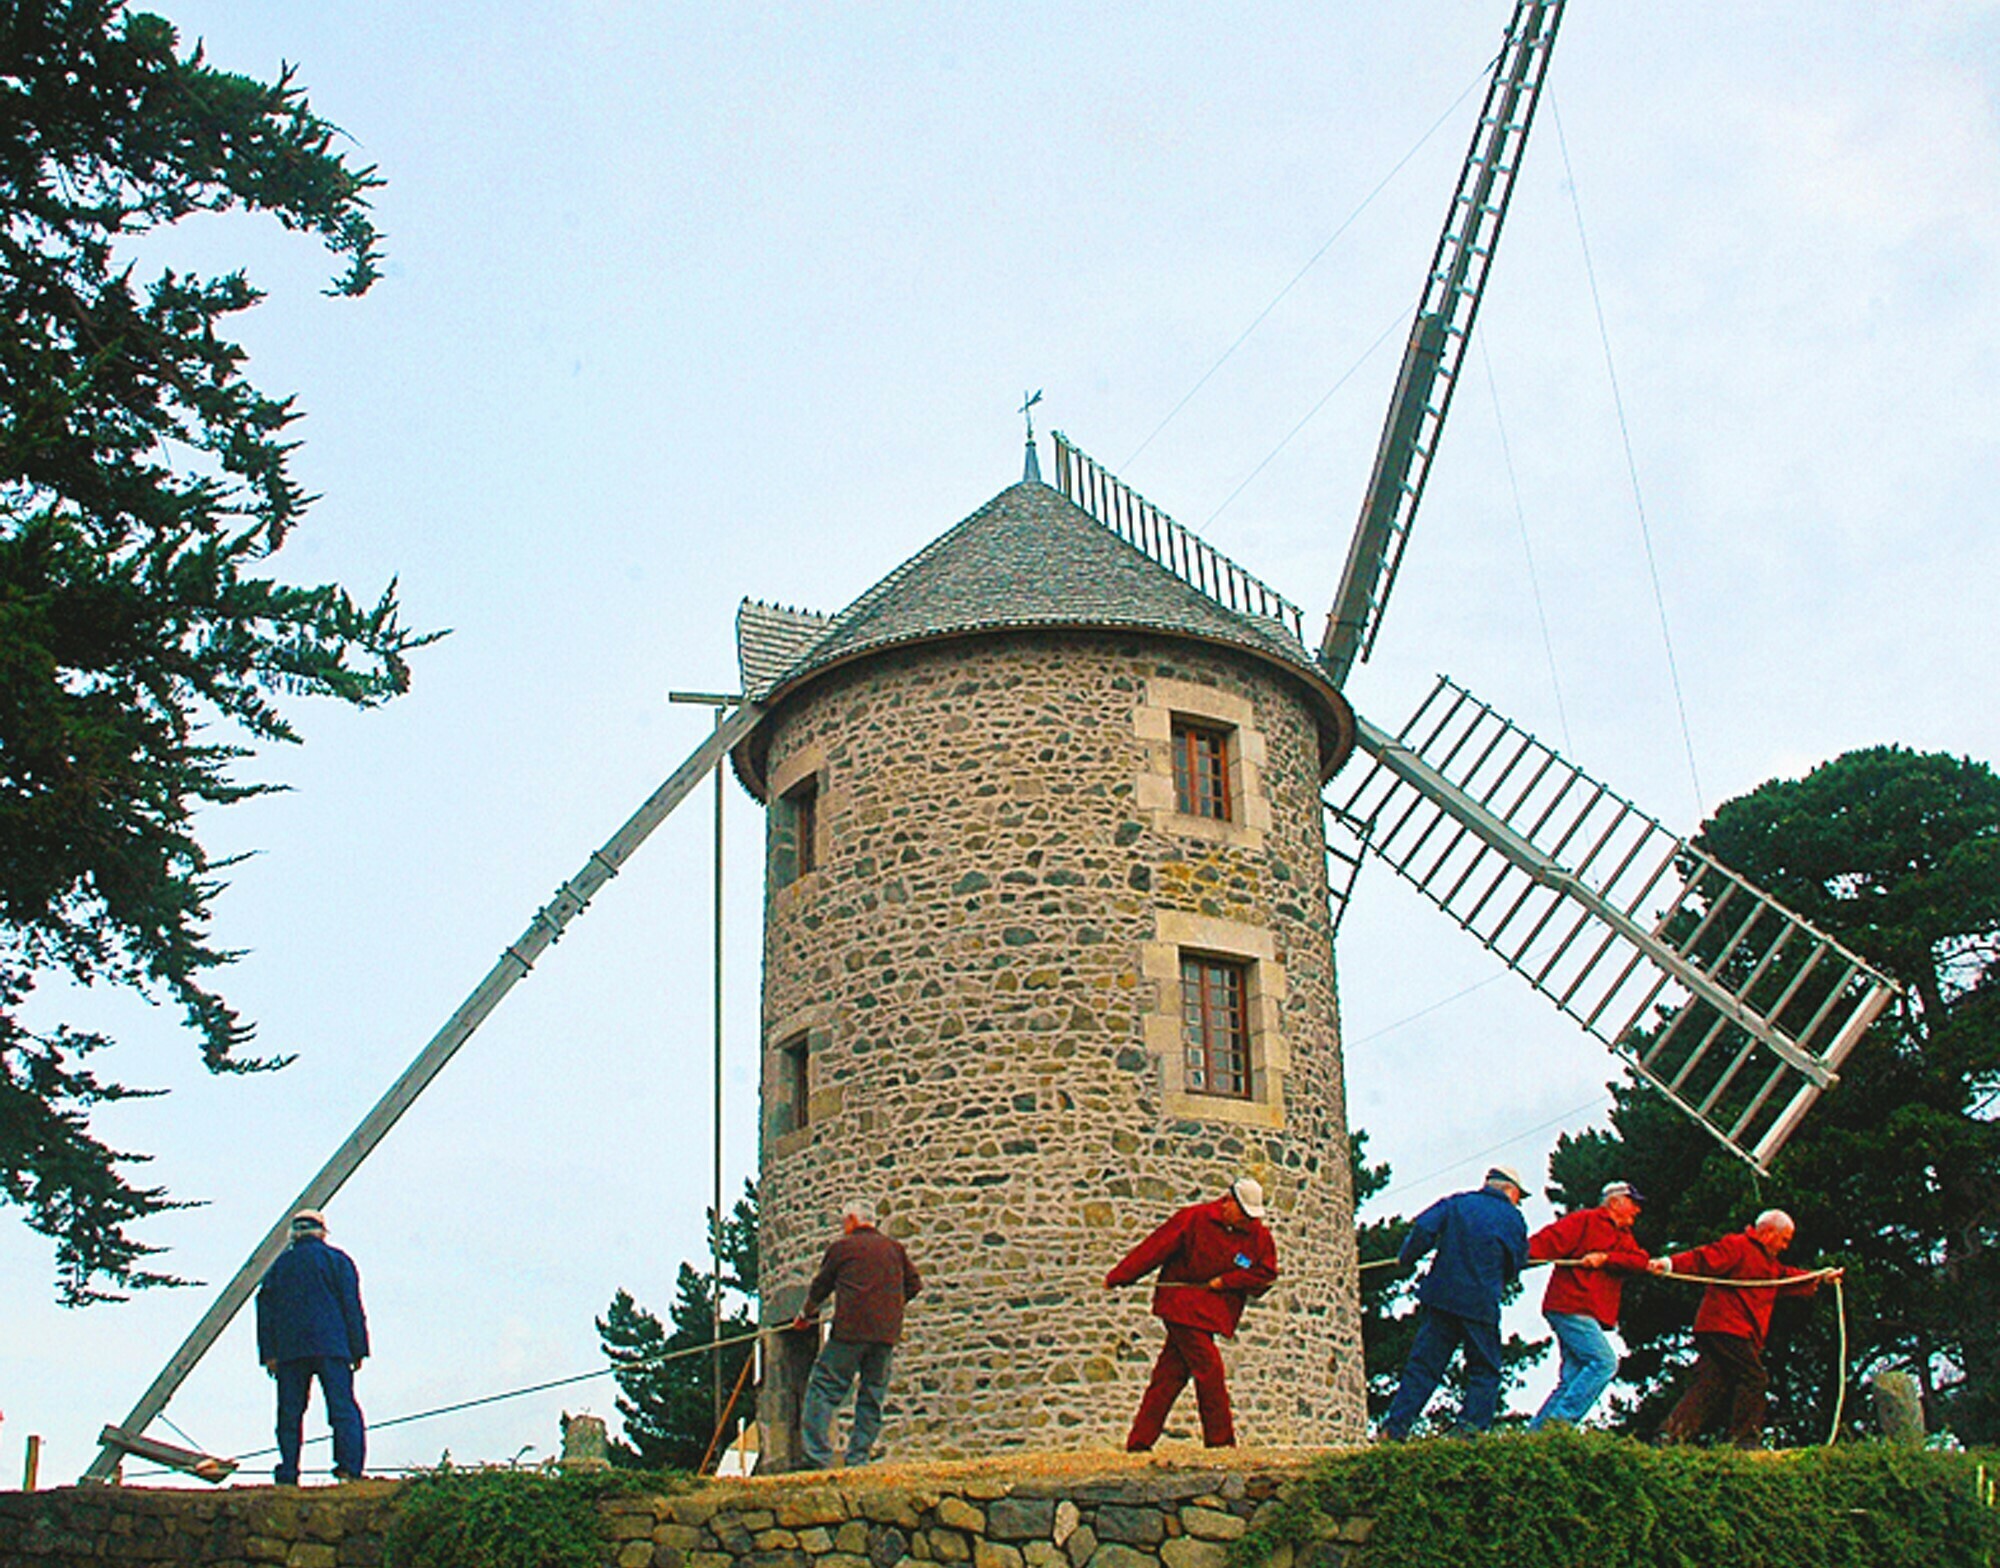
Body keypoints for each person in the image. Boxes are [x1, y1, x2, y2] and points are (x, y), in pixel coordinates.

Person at [1104, 1176, 1278, 1451]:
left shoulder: (1258, 1236)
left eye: (1251, 1216)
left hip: (1209, 1314)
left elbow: (1266, 1274)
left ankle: (1139, 1442)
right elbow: (1154, 1249)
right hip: (1180, 1306)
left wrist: (1228, 1281)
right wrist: (1119, 1276)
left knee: (1169, 1376)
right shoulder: (1193, 1219)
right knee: (1210, 1369)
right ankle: (1221, 1443)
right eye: (1243, 1214)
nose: (1247, 1221)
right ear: (1228, 1202)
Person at [1651, 1208, 1839, 1449]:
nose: (1785, 1247)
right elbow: (1704, 1258)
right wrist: (1668, 1264)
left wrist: (1819, 1278)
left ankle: (1670, 1436)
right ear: (1769, 1233)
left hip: (1723, 1328)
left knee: (1710, 1384)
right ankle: (1745, 1441)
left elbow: (1785, 1278)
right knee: (1754, 1378)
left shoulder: (1768, 1263)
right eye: (1784, 1240)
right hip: (1727, 1327)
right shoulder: (1738, 1246)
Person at [1379, 1166, 1530, 1440]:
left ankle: (1395, 1428)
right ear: (1511, 1191)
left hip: (1442, 1298)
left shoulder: (1457, 1203)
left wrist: (1407, 1257)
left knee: (1423, 1367)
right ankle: (1468, 1434)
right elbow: (1515, 1264)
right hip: (1481, 1303)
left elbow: (1424, 1228)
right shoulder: (1514, 1219)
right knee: (1484, 1371)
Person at [791, 1199, 922, 1469]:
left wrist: (806, 1314)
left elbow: (820, 1287)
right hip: (885, 1335)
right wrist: (891, 1307)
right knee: (872, 1396)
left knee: (823, 1389)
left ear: (851, 1220)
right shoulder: (894, 1249)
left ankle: (818, 1457)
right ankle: (858, 1458)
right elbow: (914, 1285)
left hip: (849, 1332)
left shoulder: (842, 1248)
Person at [1525, 1179, 1651, 1430]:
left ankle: (1536, 1436)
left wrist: (1605, 1258)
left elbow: (1640, 1260)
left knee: (1572, 1377)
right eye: (1633, 1204)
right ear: (1615, 1202)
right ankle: (1557, 1427)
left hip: (1582, 1309)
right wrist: (1512, 1256)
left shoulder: (1624, 1236)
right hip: (1571, 1306)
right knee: (1604, 1362)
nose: (1638, 1210)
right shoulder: (1584, 1221)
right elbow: (1547, 1242)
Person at [255, 1208, 369, 1485]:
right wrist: (358, 1348)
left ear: (294, 1233)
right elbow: (351, 1307)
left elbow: (264, 1310)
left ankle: (289, 1472)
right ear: (322, 1232)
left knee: (290, 1413)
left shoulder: (279, 1267)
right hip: (333, 1346)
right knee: (342, 1409)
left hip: (289, 1351)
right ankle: (348, 1469)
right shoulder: (339, 1262)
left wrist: (269, 1353)